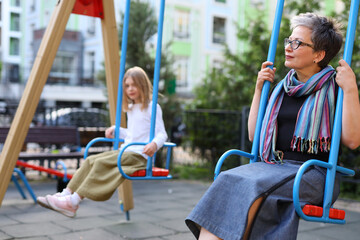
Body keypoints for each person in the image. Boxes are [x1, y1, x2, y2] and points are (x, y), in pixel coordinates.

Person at [185, 13, 360, 240]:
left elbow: (353, 140)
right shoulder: (280, 89)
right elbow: (253, 135)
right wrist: (259, 89)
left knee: (252, 186)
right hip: (273, 166)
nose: (289, 47)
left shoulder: (335, 88)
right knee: (229, 179)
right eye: (289, 40)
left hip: (313, 173)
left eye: (298, 43)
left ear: (319, 54)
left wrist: (351, 89)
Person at [37, 66, 168, 218]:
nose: (130, 89)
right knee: (91, 160)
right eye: (127, 86)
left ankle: (73, 202)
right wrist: (117, 130)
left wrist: (154, 144)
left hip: (140, 157)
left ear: (143, 86)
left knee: (100, 164)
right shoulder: (131, 108)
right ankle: (64, 194)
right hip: (127, 152)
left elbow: (161, 133)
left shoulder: (152, 107)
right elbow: (134, 135)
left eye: (134, 85)